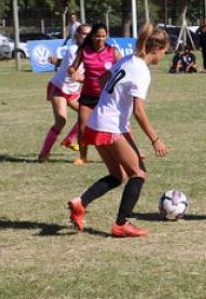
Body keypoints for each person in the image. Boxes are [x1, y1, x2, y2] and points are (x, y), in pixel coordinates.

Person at [67, 24, 169, 238]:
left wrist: (111, 100)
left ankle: (80, 203)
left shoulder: (126, 60)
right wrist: (155, 139)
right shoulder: (142, 71)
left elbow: (104, 79)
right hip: (110, 125)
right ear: (157, 48)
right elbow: (139, 111)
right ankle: (121, 224)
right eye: (165, 50)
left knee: (117, 175)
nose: (165, 55)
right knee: (138, 173)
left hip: (97, 121)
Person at [69, 23, 121, 165]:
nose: (100, 39)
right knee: (82, 128)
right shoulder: (84, 51)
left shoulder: (113, 52)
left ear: (107, 36)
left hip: (107, 97)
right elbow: (72, 67)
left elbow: (123, 69)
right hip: (87, 96)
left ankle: (127, 152)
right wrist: (74, 73)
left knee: (114, 127)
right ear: (92, 37)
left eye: (103, 36)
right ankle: (83, 156)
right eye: (97, 36)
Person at [38, 24, 90, 162]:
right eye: (84, 34)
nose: (87, 37)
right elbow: (73, 72)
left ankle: (69, 140)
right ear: (78, 35)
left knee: (87, 114)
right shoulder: (74, 49)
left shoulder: (91, 51)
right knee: (61, 120)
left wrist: (58, 61)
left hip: (72, 91)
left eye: (89, 34)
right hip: (59, 88)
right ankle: (44, 154)